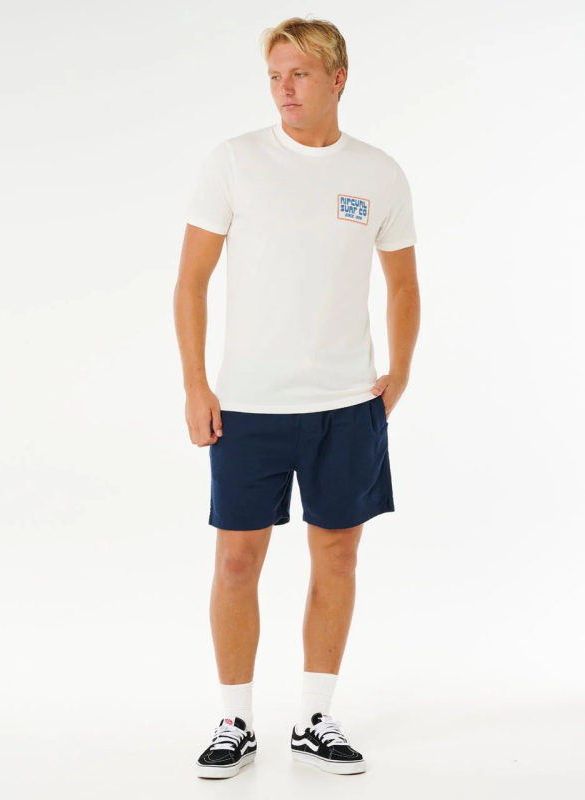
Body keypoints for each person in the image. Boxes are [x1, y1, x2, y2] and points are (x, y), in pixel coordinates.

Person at [174, 16, 420, 779]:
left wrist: (401, 372)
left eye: (300, 74)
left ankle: (314, 719)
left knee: (337, 555)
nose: (284, 88)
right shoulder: (235, 161)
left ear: (337, 79)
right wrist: (195, 383)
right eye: (275, 76)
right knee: (236, 562)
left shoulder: (378, 173)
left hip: (346, 405)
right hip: (248, 405)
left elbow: (404, 284)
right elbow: (190, 281)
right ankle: (235, 722)